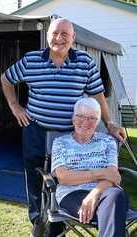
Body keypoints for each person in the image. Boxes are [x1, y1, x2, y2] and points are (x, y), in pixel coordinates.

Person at [0, 18, 126, 237]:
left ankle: (59, 224)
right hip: (36, 130)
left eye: (64, 34)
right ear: (48, 36)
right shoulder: (31, 60)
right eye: (55, 34)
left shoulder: (85, 62)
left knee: (65, 178)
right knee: (35, 178)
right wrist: (14, 106)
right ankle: (37, 221)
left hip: (70, 135)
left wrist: (110, 123)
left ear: (73, 38)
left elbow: (98, 94)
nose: (59, 38)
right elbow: (6, 79)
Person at [51, 98, 128, 237]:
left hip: (106, 193)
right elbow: (63, 178)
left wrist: (94, 194)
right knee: (114, 213)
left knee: (117, 195)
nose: (86, 122)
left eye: (92, 118)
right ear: (73, 118)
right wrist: (102, 173)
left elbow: (114, 177)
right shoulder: (60, 143)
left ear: (98, 122)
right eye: (80, 116)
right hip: (71, 193)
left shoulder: (108, 141)